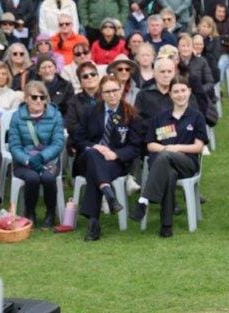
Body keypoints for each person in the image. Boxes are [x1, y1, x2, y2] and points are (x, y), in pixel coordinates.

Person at [128, 77, 207, 237]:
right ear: (170, 94)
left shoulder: (196, 116)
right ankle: (166, 226)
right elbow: (150, 144)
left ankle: (144, 200)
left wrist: (174, 148)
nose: (180, 95)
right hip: (162, 164)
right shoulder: (160, 117)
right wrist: (166, 149)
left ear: (189, 92)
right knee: (169, 174)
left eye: (183, 90)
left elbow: (198, 147)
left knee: (164, 156)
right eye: (176, 91)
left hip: (187, 163)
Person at [71, 74, 144, 241]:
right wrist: (95, 147)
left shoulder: (131, 114)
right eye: (107, 92)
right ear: (101, 94)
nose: (112, 95)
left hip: (114, 163)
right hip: (87, 158)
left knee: (94, 174)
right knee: (92, 154)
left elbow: (135, 147)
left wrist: (116, 154)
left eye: (115, 90)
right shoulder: (91, 111)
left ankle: (94, 223)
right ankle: (108, 193)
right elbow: (77, 139)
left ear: (121, 91)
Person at [8, 80, 65, 227]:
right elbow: (14, 146)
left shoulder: (55, 115)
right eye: (34, 97)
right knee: (32, 178)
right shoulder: (17, 117)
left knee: (48, 178)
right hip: (24, 161)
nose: (39, 100)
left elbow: (58, 143)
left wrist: (41, 157)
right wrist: (27, 160)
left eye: (42, 97)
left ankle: (51, 213)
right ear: (26, 98)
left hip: (48, 160)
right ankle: (30, 212)